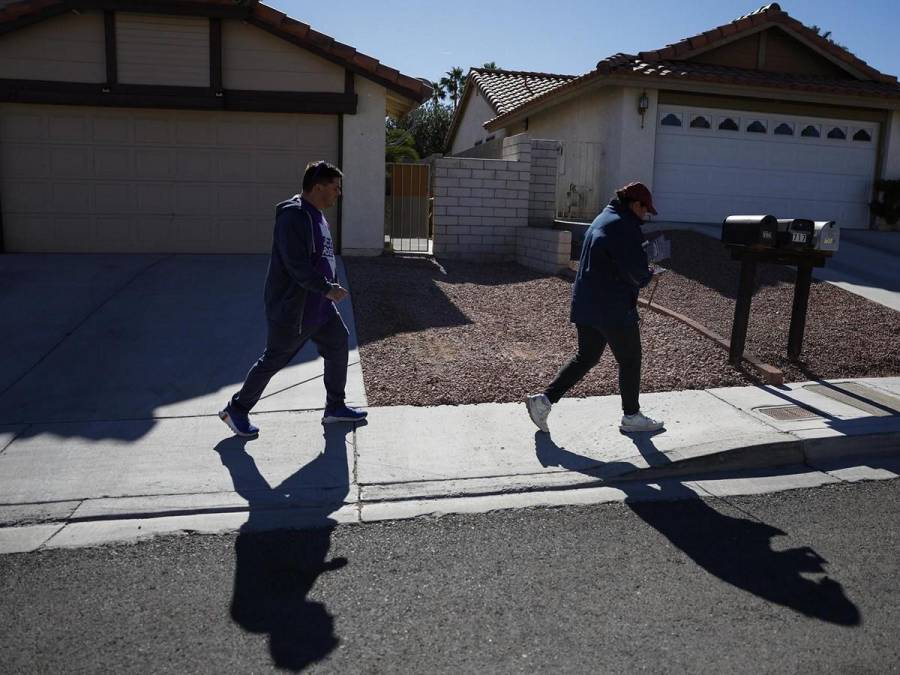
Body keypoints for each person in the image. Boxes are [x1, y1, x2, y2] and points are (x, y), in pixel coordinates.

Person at [219, 160, 367, 437]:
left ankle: (335, 406)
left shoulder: (316, 215)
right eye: (334, 187)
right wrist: (327, 288)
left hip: (318, 305)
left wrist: (326, 290)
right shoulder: (294, 216)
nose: (338, 193)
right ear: (318, 186)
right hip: (295, 308)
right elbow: (296, 265)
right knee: (274, 359)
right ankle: (236, 408)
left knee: (337, 343)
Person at [526, 181, 664, 434]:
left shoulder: (604, 218)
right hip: (612, 307)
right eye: (645, 210)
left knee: (586, 357)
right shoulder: (624, 227)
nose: (645, 215)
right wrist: (649, 275)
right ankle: (632, 416)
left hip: (587, 303)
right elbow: (634, 271)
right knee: (631, 360)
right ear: (635, 204)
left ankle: (543, 402)